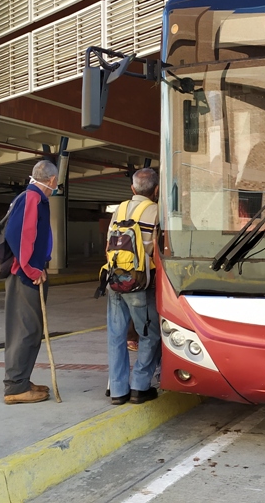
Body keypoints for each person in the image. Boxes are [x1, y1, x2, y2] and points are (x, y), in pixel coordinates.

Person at [2, 160, 58, 405]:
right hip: (26, 275)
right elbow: (21, 236)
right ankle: (15, 386)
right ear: (53, 181)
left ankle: (21, 380)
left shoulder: (33, 197)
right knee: (25, 330)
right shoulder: (32, 198)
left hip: (29, 273)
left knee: (30, 329)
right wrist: (32, 269)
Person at [106, 168, 162, 405]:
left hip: (114, 279)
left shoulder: (118, 209)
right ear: (156, 190)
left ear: (132, 189)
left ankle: (117, 389)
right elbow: (159, 250)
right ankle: (140, 385)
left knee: (116, 335)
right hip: (141, 283)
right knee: (148, 334)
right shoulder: (157, 211)